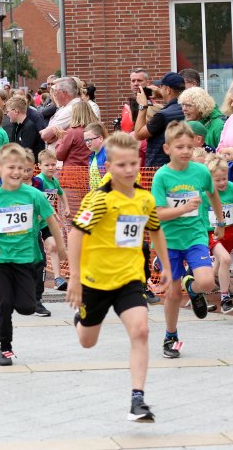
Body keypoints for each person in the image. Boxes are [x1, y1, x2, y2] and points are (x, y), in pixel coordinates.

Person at [67, 132, 171, 423]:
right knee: (87, 341)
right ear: (109, 166)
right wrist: (74, 277)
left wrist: (165, 265)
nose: (128, 170)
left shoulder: (144, 199)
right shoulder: (99, 199)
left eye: (133, 164)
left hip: (130, 278)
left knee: (141, 331)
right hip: (96, 281)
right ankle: (81, 321)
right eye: (121, 165)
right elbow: (75, 234)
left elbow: (155, 230)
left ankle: (138, 400)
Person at [0, 143, 65, 367]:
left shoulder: (33, 195)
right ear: (0, 167)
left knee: (27, 307)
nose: (15, 172)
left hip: (26, 259)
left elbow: (51, 220)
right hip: (0, 260)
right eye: (10, 167)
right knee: (3, 304)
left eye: (20, 168)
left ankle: (14, 296)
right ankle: (5, 347)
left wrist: (61, 248)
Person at [150, 121, 223, 358]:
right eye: (179, 147)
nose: (185, 151)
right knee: (172, 293)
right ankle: (171, 336)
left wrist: (220, 221)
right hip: (168, 241)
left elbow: (213, 193)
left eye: (189, 147)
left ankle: (192, 287)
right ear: (167, 148)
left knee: (208, 282)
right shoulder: (162, 176)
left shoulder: (200, 171)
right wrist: (184, 208)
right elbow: (158, 214)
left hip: (195, 235)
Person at [201, 155, 233, 313]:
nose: (222, 183)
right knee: (225, 259)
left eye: (224, 179)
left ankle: (196, 290)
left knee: (221, 264)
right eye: (217, 180)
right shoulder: (204, 193)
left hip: (229, 232)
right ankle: (225, 299)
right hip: (210, 233)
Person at [35, 149, 70, 291]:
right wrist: (50, 210)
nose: (51, 168)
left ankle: (57, 278)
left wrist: (66, 207)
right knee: (35, 253)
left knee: (54, 246)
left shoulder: (54, 181)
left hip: (46, 222)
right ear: (39, 166)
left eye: (53, 165)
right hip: (35, 222)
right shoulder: (38, 181)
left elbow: (61, 193)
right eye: (47, 165)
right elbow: (37, 199)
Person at [136, 72, 186, 168]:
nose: (159, 89)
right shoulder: (187, 108)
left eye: (161, 87)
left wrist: (142, 106)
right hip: (178, 165)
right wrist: (162, 94)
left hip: (158, 167)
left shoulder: (162, 115)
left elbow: (138, 134)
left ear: (168, 90)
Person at [55, 101, 100, 169]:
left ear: (75, 115)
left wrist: (60, 138)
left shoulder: (72, 133)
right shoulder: (98, 130)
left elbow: (59, 155)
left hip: (73, 172)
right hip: (92, 171)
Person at [40, 77, 78, 150]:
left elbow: (45, 135)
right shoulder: (64, 107)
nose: (54, 94)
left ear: (64, 93)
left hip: (60, 154)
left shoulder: (70, 109)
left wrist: (49, 137)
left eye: (56, 91)